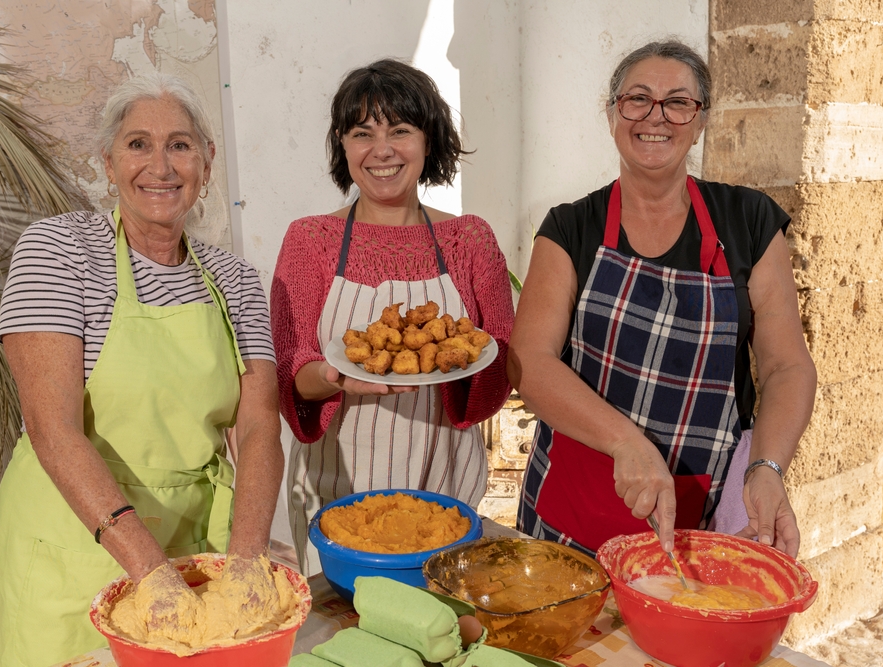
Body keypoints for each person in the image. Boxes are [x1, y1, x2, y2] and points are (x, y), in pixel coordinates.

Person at [0, 72, 283, 667]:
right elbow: (52, 429)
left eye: (180, 144)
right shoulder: (59, 249)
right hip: (74, 543)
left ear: (207, 160)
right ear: (108, 162)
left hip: (196, 549)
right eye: (138, 144)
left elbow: (258, 427)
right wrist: (149, 571)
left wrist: (247, 559)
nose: (161, 166)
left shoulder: (236, 279)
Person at [508, 41, 816, 560]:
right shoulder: (571, 227)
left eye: (678, 102)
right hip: (575, 507)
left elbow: (787, 365)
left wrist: (767, 468)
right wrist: (626, 442)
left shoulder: (749, 222)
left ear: (700, 122)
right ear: (612, 114)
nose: (657, 117)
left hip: (705, 504)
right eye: (638, 99)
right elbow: (530, 365)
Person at [271, 59, 514, 572]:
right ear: (343, 144)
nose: (381, 150)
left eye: (400, 130)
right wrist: (336, 376)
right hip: (338, 487)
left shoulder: (469, 239)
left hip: (445, 475)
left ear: (430, 141)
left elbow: (500, 359)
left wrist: (476, 362)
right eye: (363, 133)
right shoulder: (309, 240)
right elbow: (292, 374)